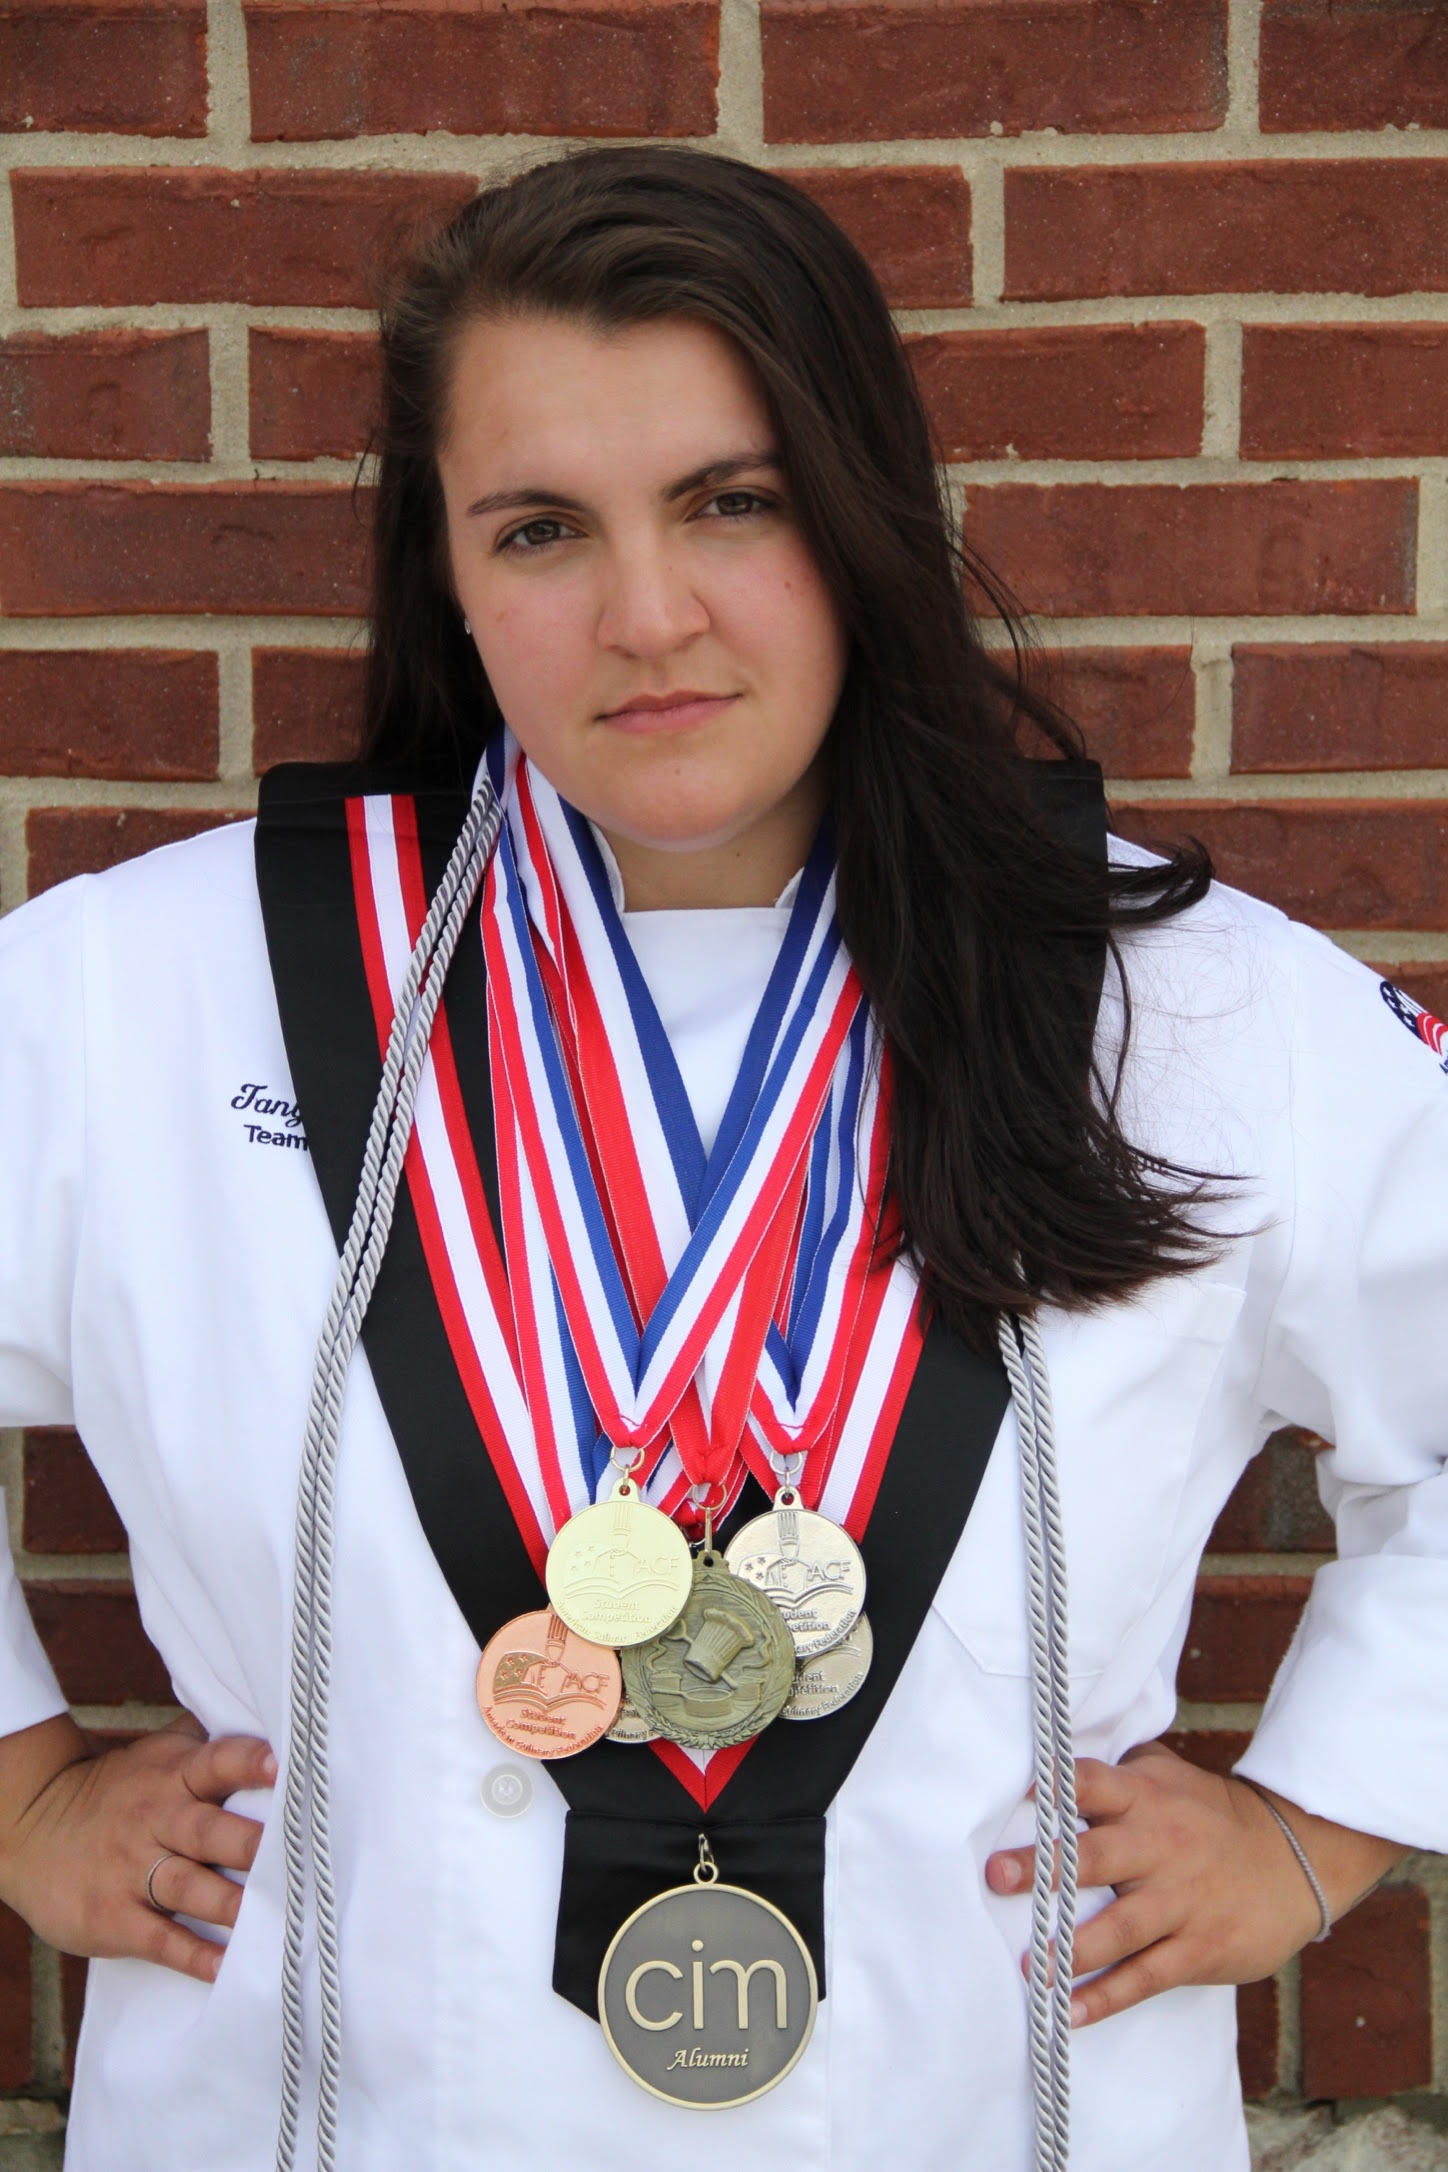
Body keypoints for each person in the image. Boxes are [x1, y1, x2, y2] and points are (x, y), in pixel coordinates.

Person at [0, 144, 1441, 2172]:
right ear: (450, 574)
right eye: (538, 530)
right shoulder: (140, 994)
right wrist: (23, 1794)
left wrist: (1318, 1835)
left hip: (988, 2107)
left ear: (859, 510)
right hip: (327, 2114)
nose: (645, 616)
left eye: (727, 502)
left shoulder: (1186, 1010)